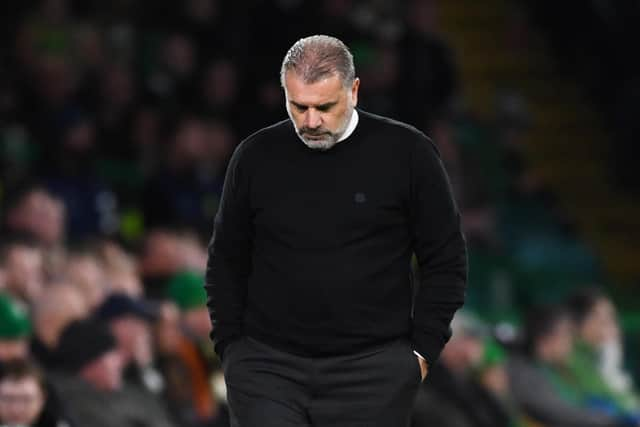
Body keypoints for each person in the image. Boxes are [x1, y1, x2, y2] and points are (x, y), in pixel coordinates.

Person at [205, 34, 467, 426]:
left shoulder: (409, 153)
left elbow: (446, 260)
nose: (311, 121)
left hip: (372, 373)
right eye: (299, 106)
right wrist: (231, 349)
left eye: (324, 107)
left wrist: (419, 356)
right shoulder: (255, 156)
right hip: (265, 369)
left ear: (355, 90)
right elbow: (225, 260)